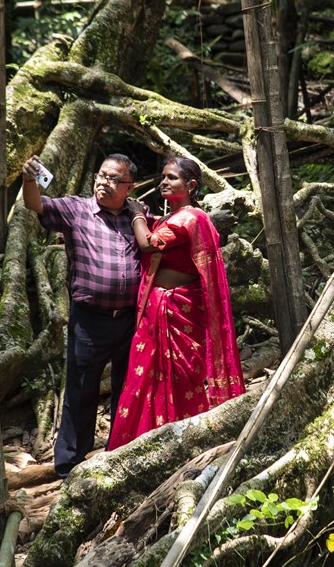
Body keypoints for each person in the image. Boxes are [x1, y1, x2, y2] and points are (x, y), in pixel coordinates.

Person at [107, 157, 245, 449]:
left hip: (181, 309)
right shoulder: (172, 218)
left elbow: (149, 244)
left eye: (172, 178)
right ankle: (143, 440)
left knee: (183, 377)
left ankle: (184, 442)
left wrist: (136, 216)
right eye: (163, 177)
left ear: (191, 185)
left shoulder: (191, 218)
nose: (164, 182)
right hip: (159, 307)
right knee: (145, 377)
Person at [22, 153, 144, 478]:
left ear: (129, 187)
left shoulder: (135, 216)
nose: (104, 182)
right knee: (81, 391)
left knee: (126, 388)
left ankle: (120, 456)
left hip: (130, 320)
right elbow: (36, 205)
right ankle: (69, 467)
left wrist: (140, 216)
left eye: (114, 179)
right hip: (90, 320)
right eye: (101, 175)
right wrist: (28, 179)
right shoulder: (77, 209)